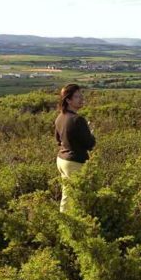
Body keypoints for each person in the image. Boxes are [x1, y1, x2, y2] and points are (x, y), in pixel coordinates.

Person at [55, 83, 95, 213]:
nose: (81, 99)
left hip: (62, 160)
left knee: (67, 193)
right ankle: (71, 223)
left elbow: (58, 140)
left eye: (81, 96)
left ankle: (64, 221)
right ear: (68, 100)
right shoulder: (78, 120)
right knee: (76, 196)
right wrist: (90, 134)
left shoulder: (60, 117)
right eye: (77, 96)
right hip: (74, 161)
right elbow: (90, 144)